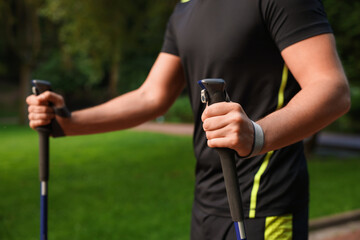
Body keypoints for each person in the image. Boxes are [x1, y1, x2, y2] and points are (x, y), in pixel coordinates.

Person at [27, 0, 351, 239]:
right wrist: (68, 122)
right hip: (205, 204)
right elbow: (151, 96)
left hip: (262, 202)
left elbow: (331, 89)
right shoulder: (185, 8)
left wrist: (258, 134)